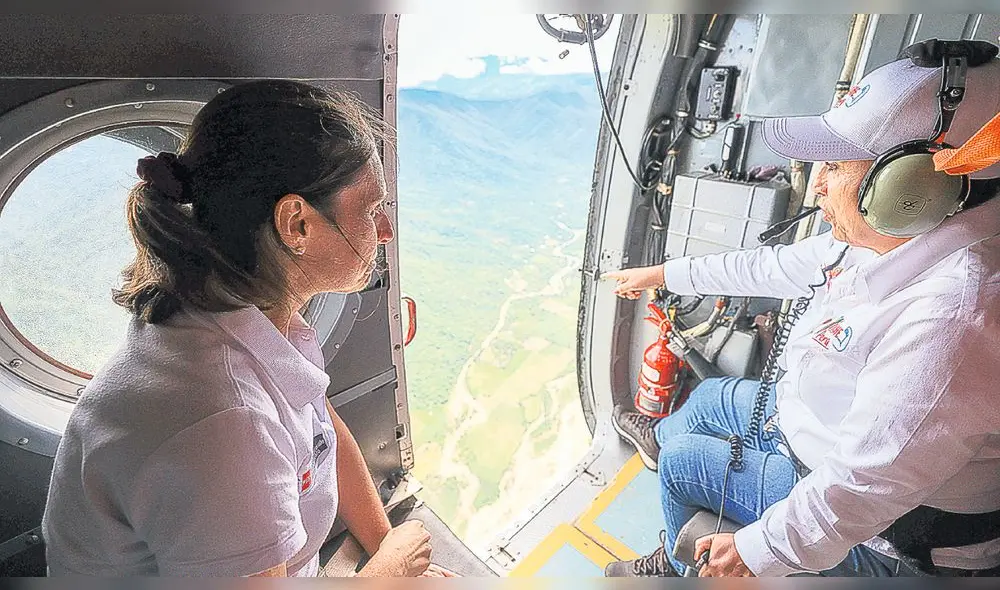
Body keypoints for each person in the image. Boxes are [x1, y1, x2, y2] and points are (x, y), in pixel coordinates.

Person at [602, 50, 1000, 577]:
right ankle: (666, 444)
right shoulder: (894, 235)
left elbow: (862, 487)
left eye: (833, 167)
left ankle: (681, 567)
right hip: (822, 432)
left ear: (913, 188)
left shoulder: (954, 321)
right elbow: (774, 266)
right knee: (710, 398)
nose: (816, 184)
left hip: (890, 534)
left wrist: (752, 550)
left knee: (683, 464)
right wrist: (664, 275)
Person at [41, 80, 449, 577]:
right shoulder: (224, 422)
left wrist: (385, 541)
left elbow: (319, 429)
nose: (384, 231)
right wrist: (391, 568)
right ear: (296, 224)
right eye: (369, 210)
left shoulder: (244, 315)